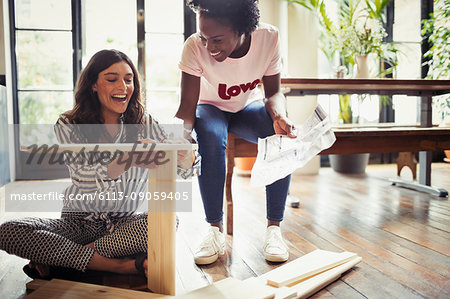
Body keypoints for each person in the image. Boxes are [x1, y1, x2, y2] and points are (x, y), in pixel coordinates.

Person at [0, 49, 198, 279]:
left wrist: (185, 156)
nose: (123, 87)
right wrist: (128, 159)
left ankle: (62, 259)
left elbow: (183, 170)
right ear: (93, 84)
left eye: (128, 79)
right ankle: (118, 265)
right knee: (8, 232)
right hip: (78, 225)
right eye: (112, 79)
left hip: (123, 226)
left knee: (165, 220)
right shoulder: (68, 123)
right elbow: (84, 179)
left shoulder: (144, 121)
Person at [175, 0, 296, 265]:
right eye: (204, 38)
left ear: (242, 29)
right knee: (208, 133)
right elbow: (186, 108)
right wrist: (178, 138)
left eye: (216, 39)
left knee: (280, 136)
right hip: (209, 108)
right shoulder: (194, 47)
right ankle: (214, 230)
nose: (209, 47)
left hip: (246, 108)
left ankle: (274, 229)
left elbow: (273, 92)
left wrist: (279, 116)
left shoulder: (268, 37)